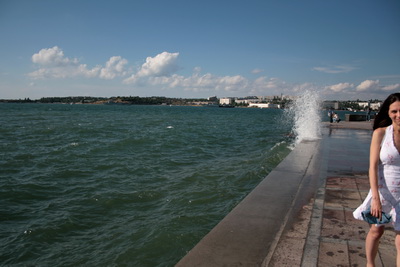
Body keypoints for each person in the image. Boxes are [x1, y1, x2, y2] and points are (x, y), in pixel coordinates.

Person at [353, 93, 400, 267]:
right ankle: (370, 264)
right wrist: (375, 199)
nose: (398, 115)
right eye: (394, 111)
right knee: (376, 231)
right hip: (384, 192)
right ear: (388, 113)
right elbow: (372, 167)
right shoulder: (381, 133)